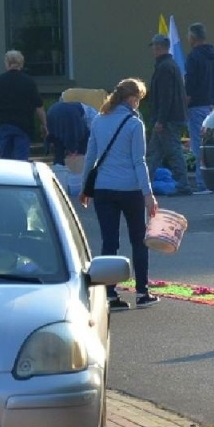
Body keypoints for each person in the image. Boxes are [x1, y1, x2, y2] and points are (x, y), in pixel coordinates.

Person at [80, 78, 160, 310]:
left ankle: (110, 294)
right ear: (131, 98)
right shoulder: (135, 123)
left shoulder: (99, 119)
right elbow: (139, 161)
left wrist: (86, 187)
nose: (138, 104)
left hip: (103, 189)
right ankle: (143, 292)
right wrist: (148, 194)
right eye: (139, 99)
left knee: (109, 242)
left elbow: (90, 156)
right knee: (138, 240)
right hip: (130, 189)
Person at [146, 33, 193, 196]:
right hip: (172, 117)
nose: (153, 50)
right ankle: (145, 184)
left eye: (154, 47)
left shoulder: (164, 68)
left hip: (167, 120)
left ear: (159, 48)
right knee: (154, 153)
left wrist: (160, 120)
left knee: (172, 151)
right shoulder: (170, 65)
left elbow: (165, 96)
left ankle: (183, 185)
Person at [183, 23, 214, 193]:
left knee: (198, 145)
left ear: (192, 38)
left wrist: (184, 103)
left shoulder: (193, 57)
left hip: (197, 105)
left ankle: (202, 183)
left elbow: (191, 84)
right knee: (212, 144)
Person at [0, 49, 47, 160]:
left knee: (5, 158)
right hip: (23, 125)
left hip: (3, 124)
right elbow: (39, 106)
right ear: (21, 64)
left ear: (7, 63)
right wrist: (44, 125)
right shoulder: (28, 82)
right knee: (21, 160)